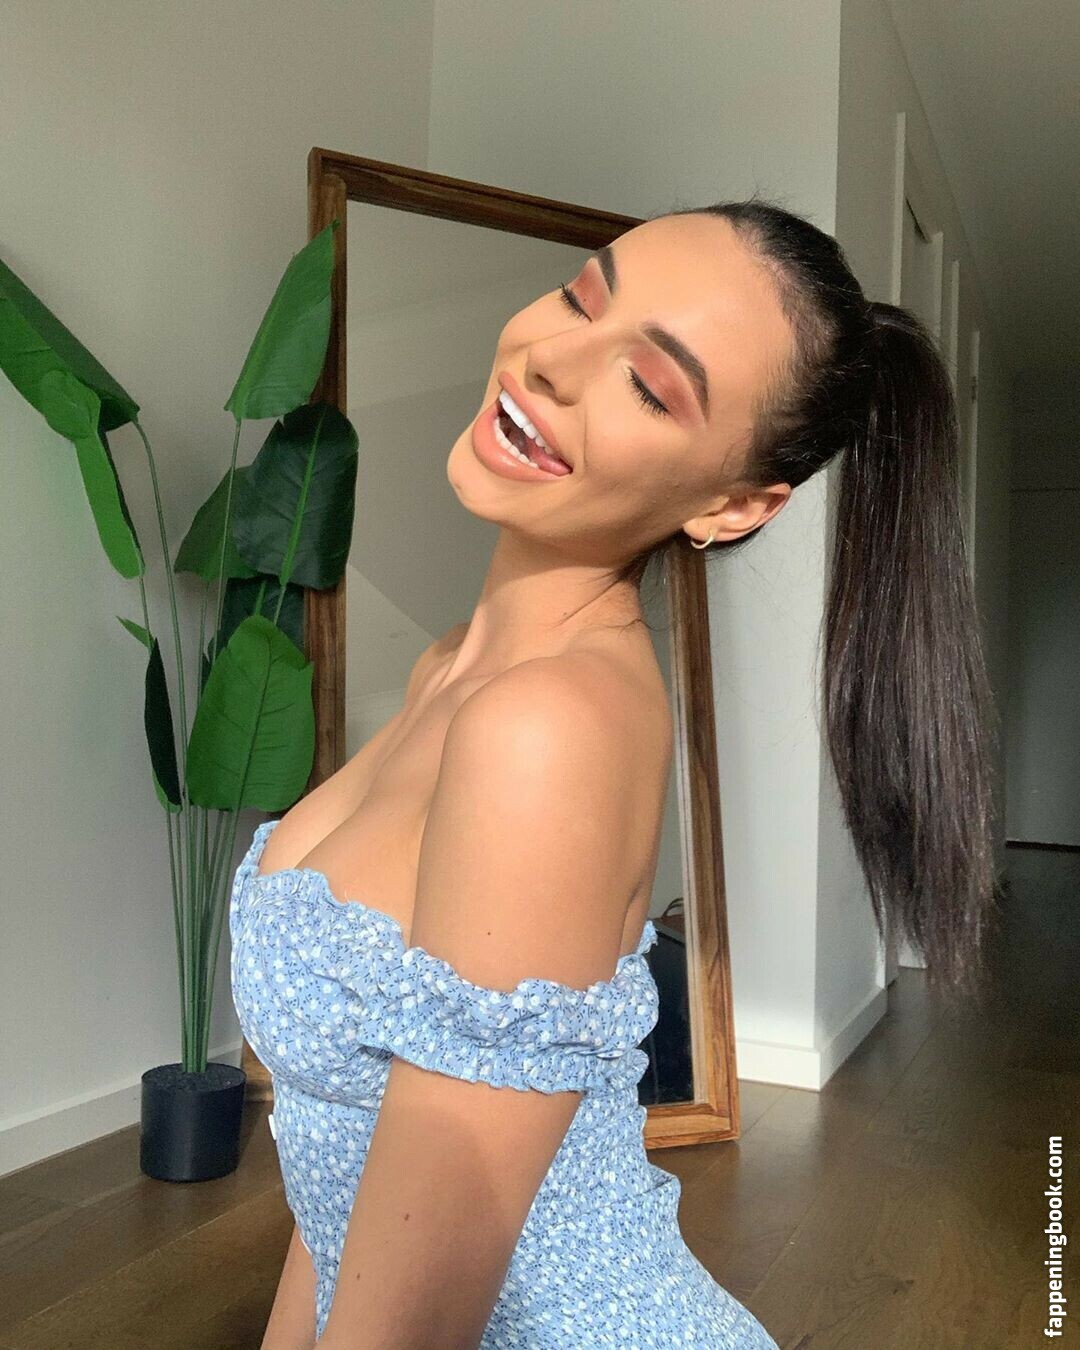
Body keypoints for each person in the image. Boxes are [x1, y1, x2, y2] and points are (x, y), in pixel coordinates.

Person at [230, 198, 998, 1349]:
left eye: (649, 385)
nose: (551, 360)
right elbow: (335, 1160)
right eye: (581, 298)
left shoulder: (549, 731)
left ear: (733, 506)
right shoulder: (456, 666)